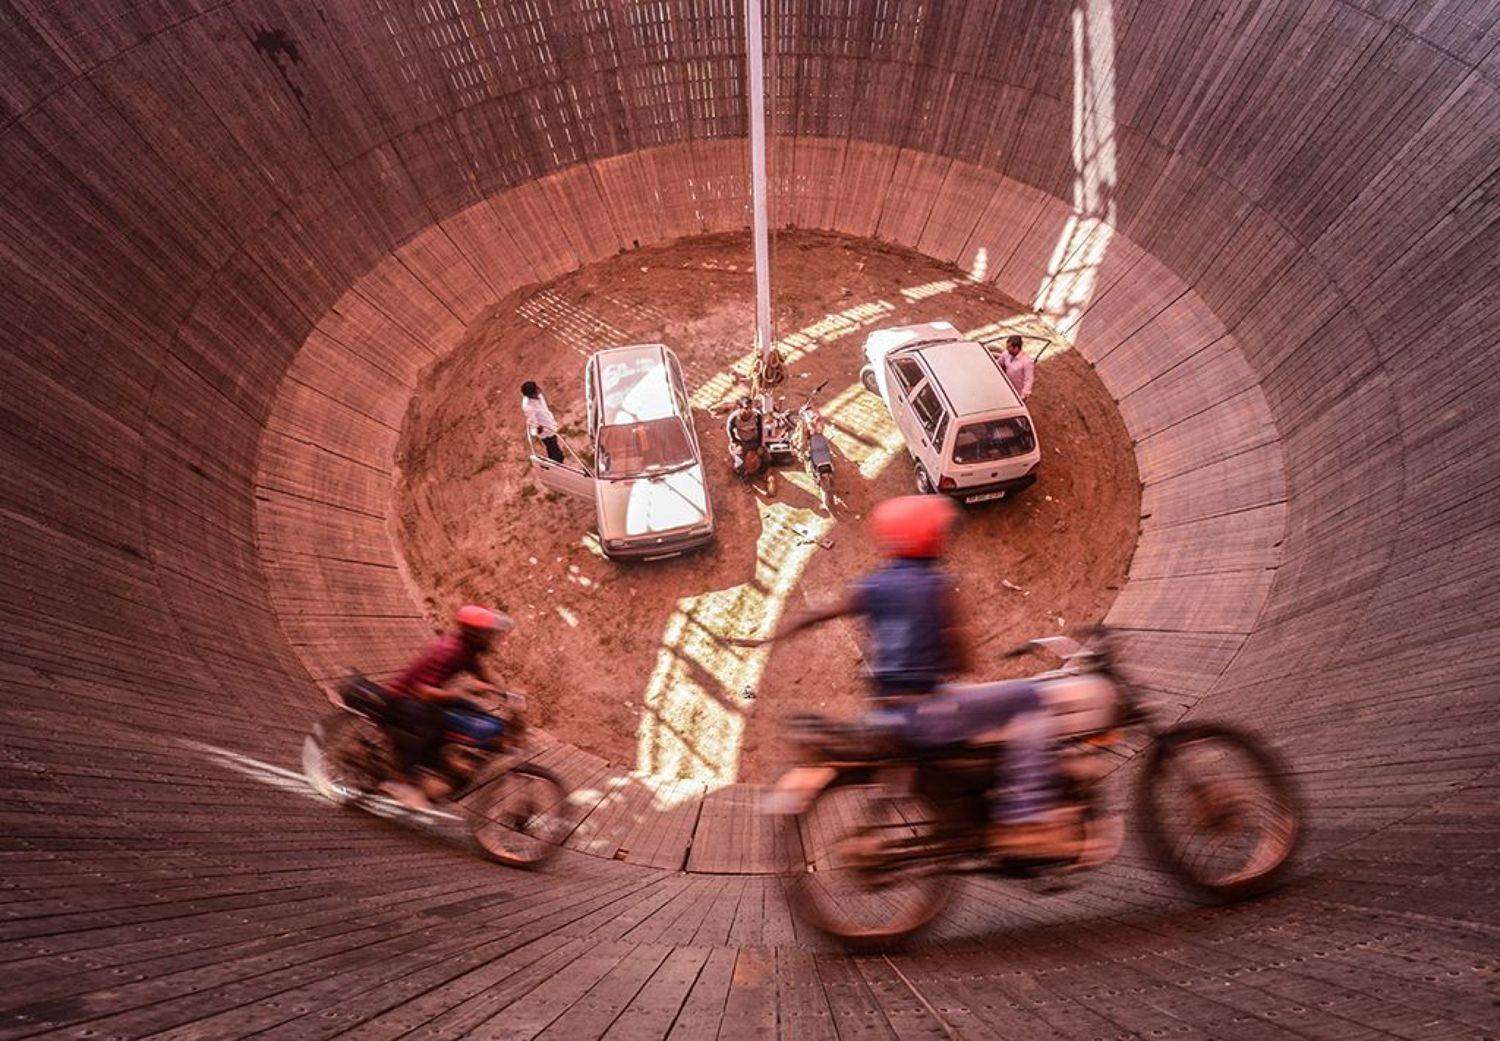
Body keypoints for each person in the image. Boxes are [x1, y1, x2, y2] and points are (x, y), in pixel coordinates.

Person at [758, 495, 1078, 859]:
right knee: (1031, 698)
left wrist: (775, 635)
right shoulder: (936, 585)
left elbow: (822, 612)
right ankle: (1026, 815)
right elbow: (964, 661)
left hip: (885, 713)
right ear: (928, 537)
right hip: (929, 715)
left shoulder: (875, 585)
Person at [381, 604, 513, 810]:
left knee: (473, 711)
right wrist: (456, 693)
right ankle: (399, 782)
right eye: (489, 634)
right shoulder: (449, 651)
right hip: (403, 698)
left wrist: (508, 695)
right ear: (475, 633)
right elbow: (422, 690)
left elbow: (483, 675)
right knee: (437, 723)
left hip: (425, 697)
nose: (492, 639)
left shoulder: (467, 650)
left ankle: (447, 762)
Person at [521, 381, 564, 463]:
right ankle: (556, 463)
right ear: (531, 394)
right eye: (536, 389)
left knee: (554, 446)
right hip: (545, 430)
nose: (538, 389)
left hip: (549, 423)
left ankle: (557, 460)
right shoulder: (528, 407)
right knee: (553, 448)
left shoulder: (539, 395)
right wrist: (537, 430)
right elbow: (532, 421)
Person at [726, 395, 765, 477]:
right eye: (746, 408)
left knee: (767, 459)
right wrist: (734, 442)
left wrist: (761, 445)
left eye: (751, 407)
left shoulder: (757, 416)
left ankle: (760, 474)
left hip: (754, 441)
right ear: (740, 408)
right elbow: (729, 430)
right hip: (741, 442)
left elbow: (761, 431)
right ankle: (742, 474)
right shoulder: (733, 418)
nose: (749, 410)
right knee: (740, 466)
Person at [996, 335, 1035, 401]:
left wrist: (1023, 396)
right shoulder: (1006, 353)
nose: (1007, 349)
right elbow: (999, 363)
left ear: (1016, 348)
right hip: (1006, 386)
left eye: (1009, 347)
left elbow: (1028, 380)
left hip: (1017, 393)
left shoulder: (1027, 362)